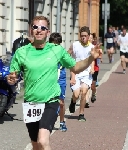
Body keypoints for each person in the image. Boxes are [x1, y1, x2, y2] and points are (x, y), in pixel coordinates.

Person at [7, 16, 101, 150]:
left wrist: (91, 57)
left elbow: (76, 67)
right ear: (31, 30)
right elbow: (13, 75)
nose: (39, 30)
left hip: (50, 101)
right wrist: (11, 79)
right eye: (35, 27)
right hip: (31, 103)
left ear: (47, 32)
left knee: (43, 141)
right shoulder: (21, 52)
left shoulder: (56, 49)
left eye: (43, 28)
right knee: (36, 145)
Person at [68, 26, 95, 121]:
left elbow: (92, 59)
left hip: (86, 73)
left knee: (84, 92)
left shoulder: (92, 47)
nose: (83, 37)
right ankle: (73, 102)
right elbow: (67, 55)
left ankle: (81, 114)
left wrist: (92, 67)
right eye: (81, 36)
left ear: (88, 36)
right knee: (76, 94)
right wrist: (72, 75)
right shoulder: (75, 45)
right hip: (75, 72)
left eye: (85, 36)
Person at [49, 32, 67, 132]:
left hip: (61, 79)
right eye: (52, 44)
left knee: (61, 102)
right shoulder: (46, 52)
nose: (54, 46)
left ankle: (62, 122)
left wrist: (73, 77)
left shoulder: (62, 52)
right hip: (49, 79)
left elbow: (71, 64)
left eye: (56, 44)